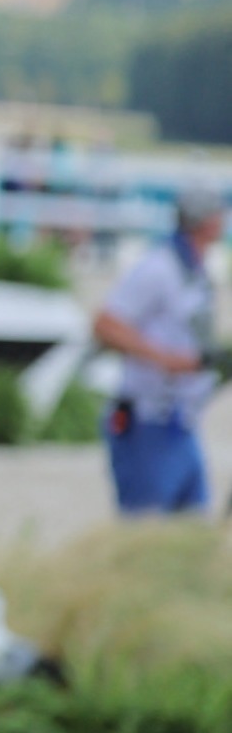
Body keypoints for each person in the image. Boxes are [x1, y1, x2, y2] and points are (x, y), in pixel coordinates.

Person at [93, 186, 225, 515]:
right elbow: (105, 325)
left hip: (181, 421)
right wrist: (165, 358)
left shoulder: (194, 267)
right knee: (146, 535)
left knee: (190, 536)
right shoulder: (159, 267)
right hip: (147, 420)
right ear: (206, 221)